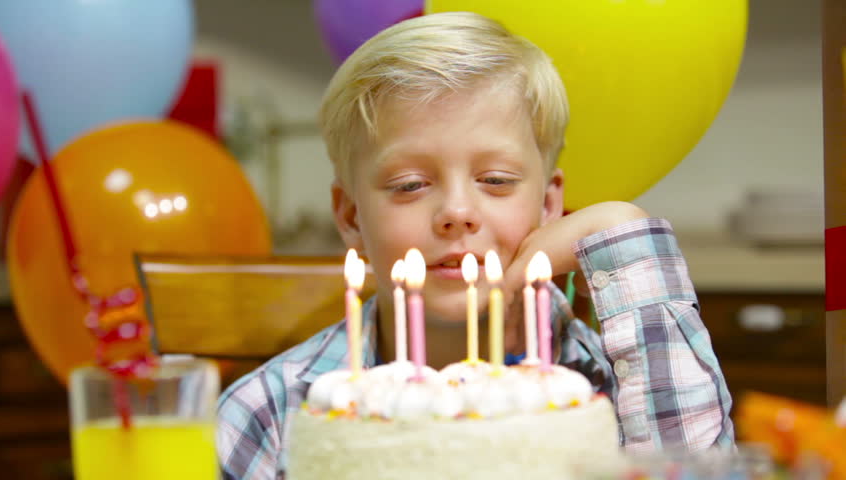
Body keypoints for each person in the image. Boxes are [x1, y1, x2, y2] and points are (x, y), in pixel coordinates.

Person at [217, 11, 734, 479]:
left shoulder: (611, 389)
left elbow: (695, 468)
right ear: (351, 217)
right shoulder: (271, 413)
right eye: (410, 185)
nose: (456, 213)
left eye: (496, 180)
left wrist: (622, 224)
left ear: (548, 206)